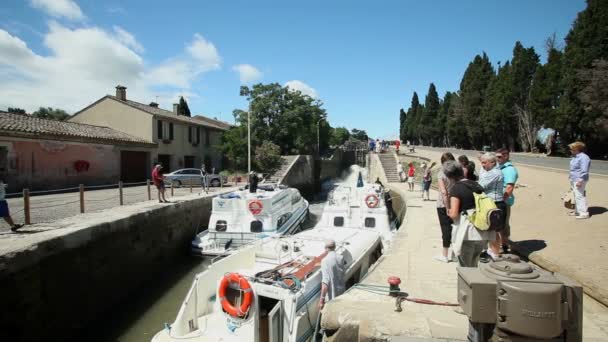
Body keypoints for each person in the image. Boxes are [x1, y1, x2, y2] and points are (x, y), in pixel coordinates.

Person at [444, 161, 496, 267]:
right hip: (482, 231)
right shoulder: (476, 184)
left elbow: (454, 214)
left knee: (465, 267)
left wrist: (448, 212)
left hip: (468, 232)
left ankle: (467, 284)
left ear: (450, 176)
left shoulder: (456, 189)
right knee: (474, 264)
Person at [477, 152, 506, 259]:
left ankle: (494, 253)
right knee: (490, 229)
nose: (482, 165)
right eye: (481, 163)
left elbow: (480, 186)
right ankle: (491, 250)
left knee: (493, 230)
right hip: (490, 203)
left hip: (494, 203)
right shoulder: (488, 171)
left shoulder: (494, 173)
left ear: (493, 162)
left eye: (484, 163)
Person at [496, 148, 518, 253]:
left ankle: (504, 246)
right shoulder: (500, 167)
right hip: (498, 199)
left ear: (506, 156)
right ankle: (500, 244)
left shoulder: (509, 170)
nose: (497, 158)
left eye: (499, 156)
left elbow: (509, 188)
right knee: (497, 223)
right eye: (496, 156)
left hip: (503, 201)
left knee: (503, 224)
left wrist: (501, 201)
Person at [434, 152, 456, 263]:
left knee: (445, 228)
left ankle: (445, 255)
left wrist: (447, 207)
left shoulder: (441, 173)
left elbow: (444, 192)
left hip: (443, 204)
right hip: (456, 202)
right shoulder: (456, 173)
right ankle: (455, 253)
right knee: (455, 227)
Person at [319, 239, 346, 310]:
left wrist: (322, 300)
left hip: (333, 295)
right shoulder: (341, 257)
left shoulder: (325, 261)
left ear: (326, 248)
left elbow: (325, 283)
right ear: (335, 247)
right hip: (342, 291)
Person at [568, 141, 591, 219]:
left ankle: (584, 213)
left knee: (579, 196)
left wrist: (580, 180)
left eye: (572, 148)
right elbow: (573, 169)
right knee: (576, 195)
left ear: (577, 149)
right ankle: (577, 211)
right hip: (574, 179)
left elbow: (584, 170)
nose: (570, 150)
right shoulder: (575, 156)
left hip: (580, 179)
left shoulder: (584, 157)